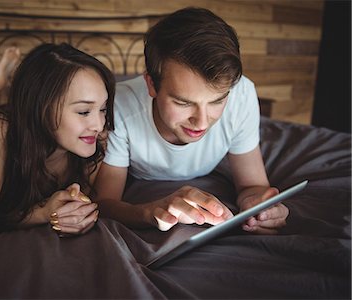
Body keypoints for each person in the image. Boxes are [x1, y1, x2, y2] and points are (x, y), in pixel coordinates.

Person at [94, 7, 289, 234]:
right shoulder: (120, 105)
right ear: (151, 85)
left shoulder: (242, 94)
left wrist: (259, 209)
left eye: (217, 101)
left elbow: (252, 186)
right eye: (183, 103)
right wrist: (150, 212)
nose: (202, 123)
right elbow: (105, 203)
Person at [0, 30, 115, 234]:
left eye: (102, 109)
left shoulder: (97, 137)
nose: (99, 125)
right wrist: (44, 212)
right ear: (41, 107)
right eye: (83, 111)